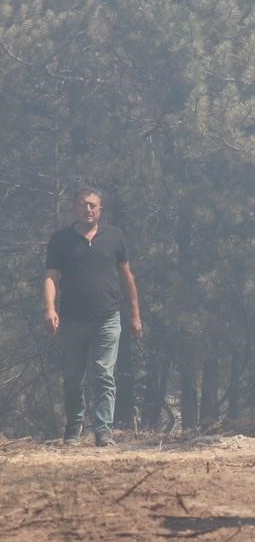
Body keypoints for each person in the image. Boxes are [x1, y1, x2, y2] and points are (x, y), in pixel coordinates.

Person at [43, 187, 142, 447]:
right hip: (72, 320)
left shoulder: (114, 237)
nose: (87, 209)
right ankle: (74, 430)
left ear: (100, 210)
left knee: (103, 373)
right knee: (73, 377)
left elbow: (126, 277)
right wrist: (50, 309)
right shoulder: (61, 240)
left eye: (92, 205)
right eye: (82, 204)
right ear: (74, 208)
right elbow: (51, 277)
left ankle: (103, 432)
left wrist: (135, 314)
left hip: (108, 318)